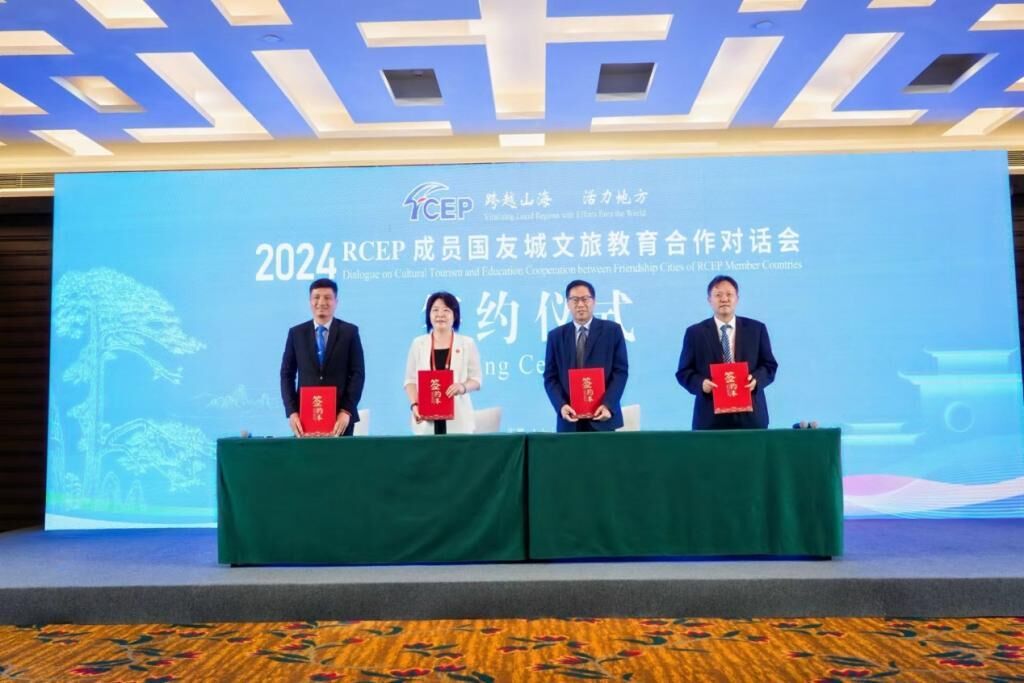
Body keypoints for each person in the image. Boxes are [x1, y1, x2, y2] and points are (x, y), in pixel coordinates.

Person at [676, 275, 778, 430]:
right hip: (710, 417)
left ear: (737, 299)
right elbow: (684, 372)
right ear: (709, 300)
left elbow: (769, 365)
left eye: (729, 294)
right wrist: (701, 384)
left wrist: (756, 380)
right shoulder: (695, 333)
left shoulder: (756, 329)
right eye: (718, 295)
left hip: (751, 416)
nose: (724, 299)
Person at [280, 278, 365, 437]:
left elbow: (357, 374)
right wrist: (292, 412)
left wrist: (346, 410)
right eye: (316, 297)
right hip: (305, 419)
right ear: (310, 301)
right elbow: (287, 375)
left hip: (340, 419)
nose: (321, 302)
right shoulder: (296, 333)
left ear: (336, 302)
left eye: (327, 297)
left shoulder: (349, 332)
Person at [543, 280, 629, 432]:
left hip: (603, 417)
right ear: (568, 304)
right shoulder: (556, 336)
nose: (580, 304)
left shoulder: (612, 331)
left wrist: (608, 405)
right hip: (570, 419)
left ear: (594, 301)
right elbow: (550, 377)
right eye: (575, 300)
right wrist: (561, 406)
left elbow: (620, 372)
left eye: (585, 299)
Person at [404, 292, 482, 434]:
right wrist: (414, 404)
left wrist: (462, 387)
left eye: (446, 310)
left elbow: (476, 380)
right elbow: (410, 381)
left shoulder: (467, 343)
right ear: (429, 315)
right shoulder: (418, 344)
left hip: (458, 419)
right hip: (426, 419)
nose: (440, 314)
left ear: (455, 315)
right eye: (435, 310)